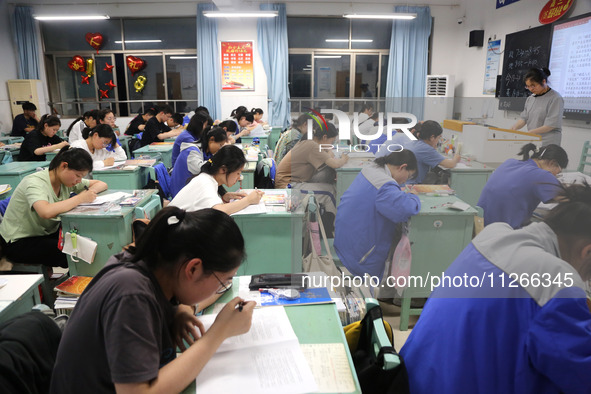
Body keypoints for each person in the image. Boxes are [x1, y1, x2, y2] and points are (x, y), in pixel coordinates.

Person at [400, 183, 591, 394]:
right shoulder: (558, 281)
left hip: (414, 378)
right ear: (587, 251)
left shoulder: (492, 235)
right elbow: (582, 376)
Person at [50, 207, 255, 393]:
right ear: (192, 268)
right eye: (223, 282)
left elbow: (191, 292)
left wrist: (181, 310)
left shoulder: (150, 264)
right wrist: (218, 334)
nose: (220, 289)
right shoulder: (131, 294)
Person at [0, 147, 107, 269]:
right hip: (19, 241)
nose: (79, 181)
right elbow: (45, 211)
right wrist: (81, 198)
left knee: (86, 239)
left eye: (81, 177)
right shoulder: (35, 182)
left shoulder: (66, 181)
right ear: (64, 166)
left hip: (45, 232)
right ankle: (78, 282)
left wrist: (89, 193)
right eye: (77, 175)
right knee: (74, 252)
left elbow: (102, 184)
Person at [334, 150, 421, 281]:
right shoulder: (385, 185)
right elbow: (406, 209)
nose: (405, 182)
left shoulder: (371, 169)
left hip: (344, 240)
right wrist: (414, 196)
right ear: (402, 167)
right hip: (359, 255)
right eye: (408, 177)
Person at [477, 143, 567, 229]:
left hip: (479, 225)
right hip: (503, 232)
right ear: (552, 163)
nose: (555, 177)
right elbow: (568, 198)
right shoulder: (542, 175)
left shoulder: (510, 162)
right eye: (558, 173)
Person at [170, 145, 264, 215]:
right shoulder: (205, 182)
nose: (239, 178)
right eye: (238, 173)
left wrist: (224, 197)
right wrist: (248, 200)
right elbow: (219, 211)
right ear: (223, 169)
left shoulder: (207, 179)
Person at [377, 120, 460, 184]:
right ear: (432, 137)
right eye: (438, 138)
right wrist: (457, 156)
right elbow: (451, 164)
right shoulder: (426, 149)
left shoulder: (415, 142)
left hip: (402, 181)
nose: (438, 141)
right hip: (410, 184)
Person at [275, 122, 349, 189]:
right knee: (330, 189)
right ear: (324, 137)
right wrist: (344, 158)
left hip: (289, 182)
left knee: (328, 176)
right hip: (286, 185)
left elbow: (329, 156)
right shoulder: (312, 145)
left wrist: (328, 151)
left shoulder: (310, 140)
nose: (331, 145)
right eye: (332, 141)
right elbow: (335, 164)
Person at [511, 67, 564, 146]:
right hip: (533, 140)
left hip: (549, 143)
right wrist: (514, 128)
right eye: (528, 86)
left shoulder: (555, 98)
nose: (531, 89)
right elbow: (524, 118)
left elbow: (550, 125)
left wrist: (528, 133)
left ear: (543, 81)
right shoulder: (531, 98)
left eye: (533, 85)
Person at [170, 127, 228, 197]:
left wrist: (224, 194)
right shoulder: (191, 151)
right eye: (220, 145)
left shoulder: (207, 153)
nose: (219, 149)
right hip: (181, 192)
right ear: (211, 139)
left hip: (191, 189)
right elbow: (202, 170)